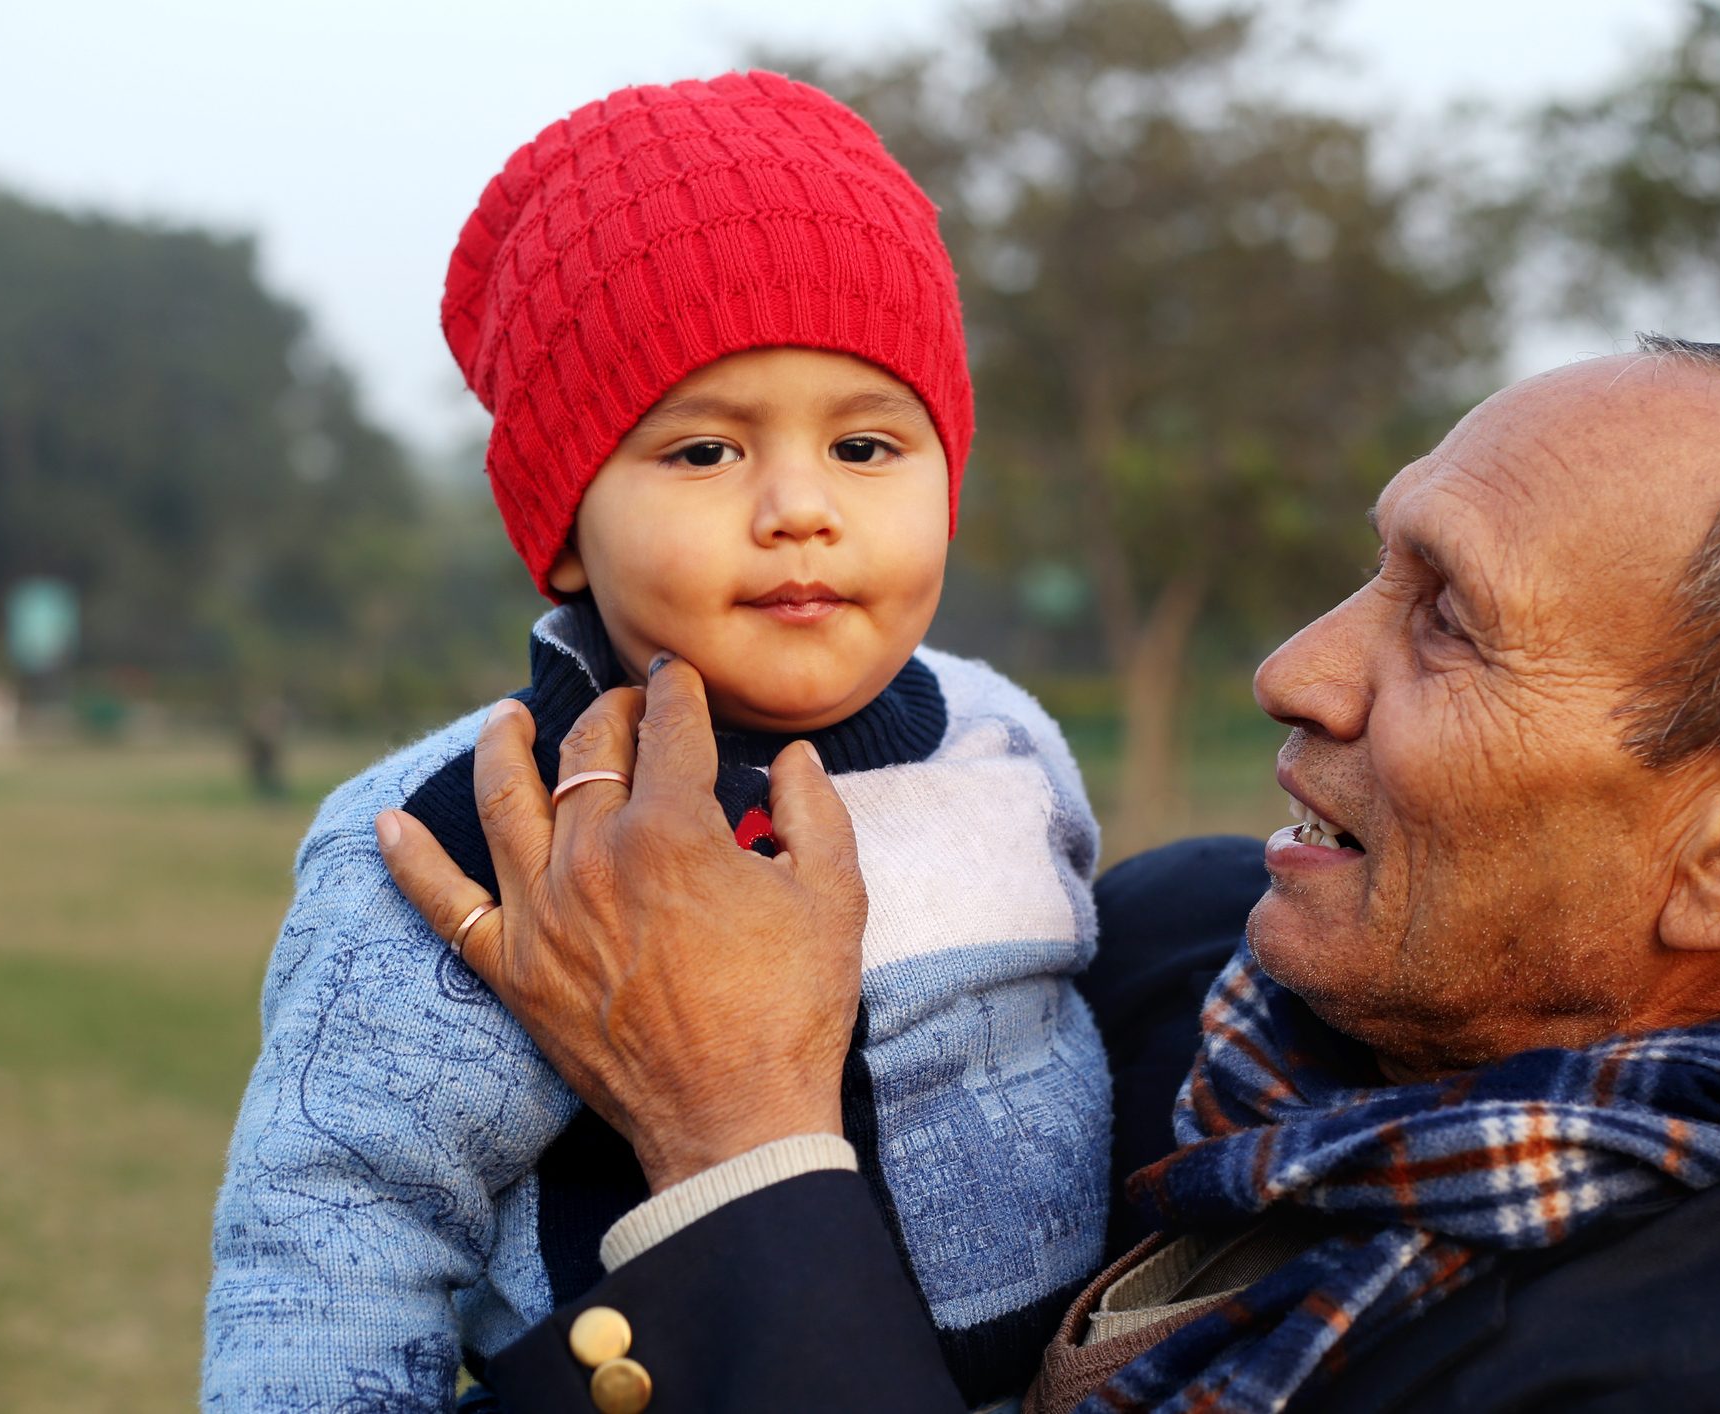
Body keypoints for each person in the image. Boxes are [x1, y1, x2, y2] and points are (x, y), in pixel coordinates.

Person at [379, 338, 1720, 1412]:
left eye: (1448, 618)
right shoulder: (1166, 951)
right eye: (1377, 565)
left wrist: (736, 1134)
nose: (1295, 669)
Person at [203, 73, 1113, 1412]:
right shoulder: (461, 829)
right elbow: (336, 1225)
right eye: (703, 453)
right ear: (565, 527)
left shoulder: (1001, 742)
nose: (800, 506)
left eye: (866, 444)